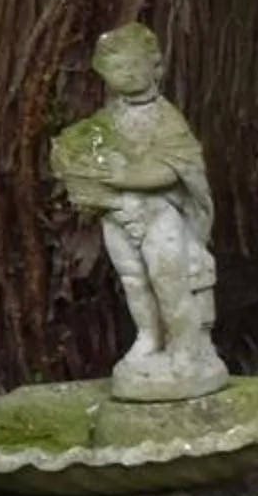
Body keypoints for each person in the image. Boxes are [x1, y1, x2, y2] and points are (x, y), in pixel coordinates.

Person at [50, 22, 225, 400]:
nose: (125, 76)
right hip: (117, 216)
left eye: (133, 67)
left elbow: (175, 167)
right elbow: (83, 155)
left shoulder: (166, 119)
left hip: (158, 215)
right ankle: (148, 337)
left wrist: (126, 175)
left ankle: (185, 348)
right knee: (133, 279)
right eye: (116, 70)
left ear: (155, 67)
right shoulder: (105, 121)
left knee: (168, 280)